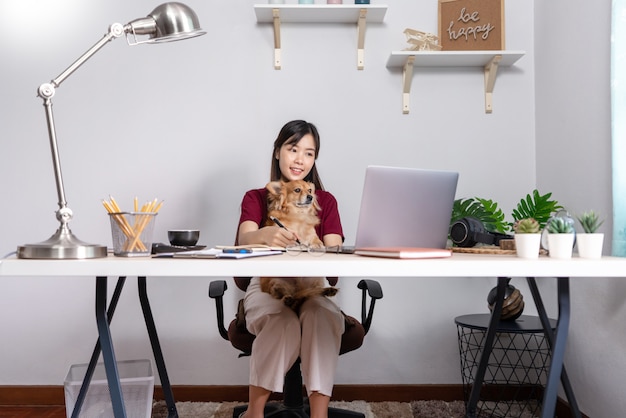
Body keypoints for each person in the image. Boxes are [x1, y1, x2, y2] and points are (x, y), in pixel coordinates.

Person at [235, 120, 345, 418]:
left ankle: (318, 414)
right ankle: (254, 413)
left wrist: (313, 240)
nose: (300, 159)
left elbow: (335, 252)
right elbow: (244, 239)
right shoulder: (257, 197)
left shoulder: (325, 201)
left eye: (309, 153)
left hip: (312, 284)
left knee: (320, 317)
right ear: (277, 152)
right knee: (281, 322)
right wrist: (263, 234)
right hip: (269, 284)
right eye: (293, 149)